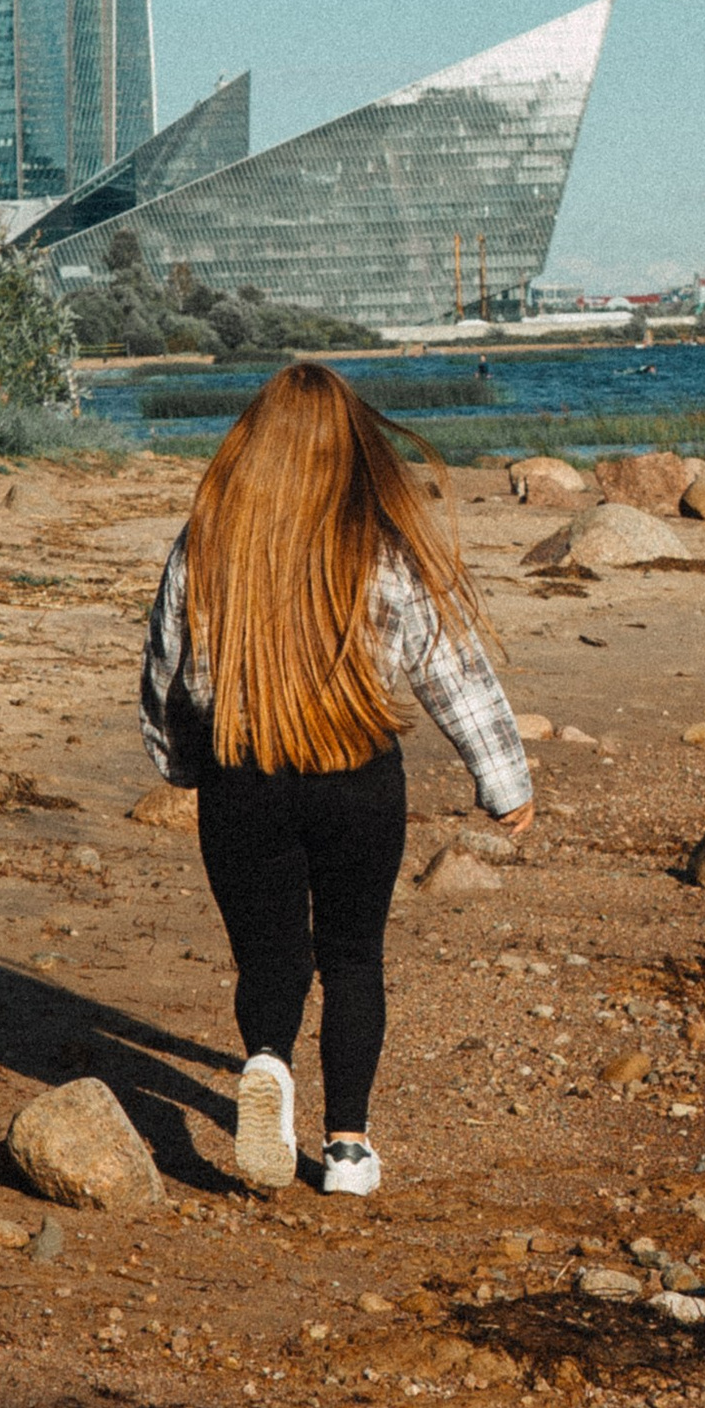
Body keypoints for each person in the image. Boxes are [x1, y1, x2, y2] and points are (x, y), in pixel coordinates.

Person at [140, 360, 532, 1197]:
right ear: (352, 447)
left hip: (242, 778)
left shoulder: (209, 542)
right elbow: (451, 670)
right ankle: (348, 1148)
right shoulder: (383, 547)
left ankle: (268, 1065)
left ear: (252, 445)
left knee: (269, 957)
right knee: (354, 958)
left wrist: (178, 762)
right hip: (357, 778)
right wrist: (504, 782)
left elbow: (169, 667)